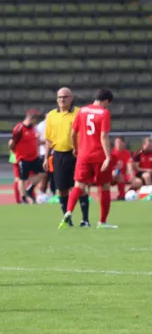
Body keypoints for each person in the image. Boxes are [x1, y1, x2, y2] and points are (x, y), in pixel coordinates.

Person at [59, 89, 117, 229]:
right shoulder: (104, 113)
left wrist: (75, 148)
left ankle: (68, 212)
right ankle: (102, 222)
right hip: (99, 156)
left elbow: (73, 133)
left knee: (79, 186)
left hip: (83, 155)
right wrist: (108, 157)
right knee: (104, 187)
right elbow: (104, 136)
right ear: (106, 101)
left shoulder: (82, 111)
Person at [44, 87, 91, 227]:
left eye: (65, 97)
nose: (62, 100)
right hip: (59, 155)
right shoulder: (52, 115)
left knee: (80, 187)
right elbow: (48, 139)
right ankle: (67, 219)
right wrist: (46, 157)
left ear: (71, 98)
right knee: (62, 189)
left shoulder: (80, 113)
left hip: (76, 154)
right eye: (59, 97)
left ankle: (85, 219)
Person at [9, 109, 46, 204]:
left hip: (34, 157)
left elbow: (36, 142)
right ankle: (23, 197)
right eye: (35, 119)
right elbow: (11, 143)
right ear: (31, 118)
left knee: (43, 172)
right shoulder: (19, 128)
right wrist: (16, 153)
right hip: (23, 158)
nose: (36, 122)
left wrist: (47, 143)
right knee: (22, 178)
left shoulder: (33, 128)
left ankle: (30, 189)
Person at [36, 118, 56, 197]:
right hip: (44, 153)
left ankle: (52, 192)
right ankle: (42, 193)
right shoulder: (41, 126)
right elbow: (38, 141)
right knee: (45, 175)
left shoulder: (54, 124)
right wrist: (48, 141)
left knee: (52, 175)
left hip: (53, 153)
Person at [110, 136, 133, 200]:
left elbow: (129, 165)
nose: (118, 143)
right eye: (117, 142)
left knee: (137, 182)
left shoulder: (127, 153)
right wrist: (113, 171)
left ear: (124, 143)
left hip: (123, 176)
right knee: (119, 176)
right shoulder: (111, 153)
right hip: (110, 176)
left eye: (120, 142)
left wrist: (131, 174)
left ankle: (125, 195)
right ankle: (104, 197)